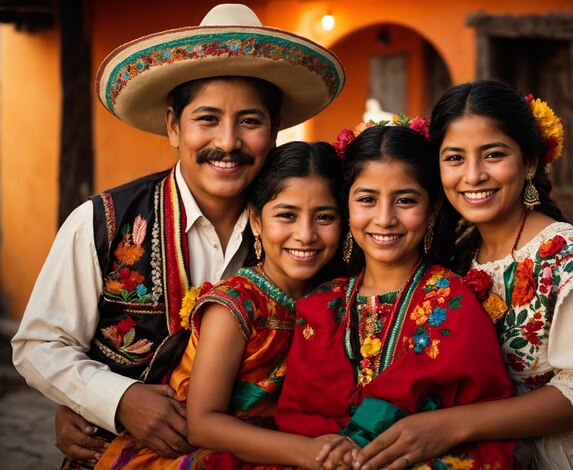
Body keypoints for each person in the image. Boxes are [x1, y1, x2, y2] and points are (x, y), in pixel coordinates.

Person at [11, 3, 345, 468]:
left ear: (274, 131)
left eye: (250, 121)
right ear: (174, 125)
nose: (227, 142)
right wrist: (117, 399)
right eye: (207, 119)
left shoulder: (300, 234)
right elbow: (40, 345)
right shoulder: (104, 221)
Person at [352, 80, 573, 470]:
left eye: (493, 155)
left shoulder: (562, 256)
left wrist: (451, 426)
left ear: (530, 162)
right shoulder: (462, 251)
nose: (473, 175)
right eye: (454, 158)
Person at [275, 122, 517, 469]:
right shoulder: (320, 305)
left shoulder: (455, 303)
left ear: (432, 209)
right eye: (367, 200)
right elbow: (294, 421)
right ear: (346, 206)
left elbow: (486, 432)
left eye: (405, 200)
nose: (385, 218)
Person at [94, 140, 344, 469]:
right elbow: (203, 424)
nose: (305, 234)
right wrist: (305, 452)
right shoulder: (236, 306)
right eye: (287, 215)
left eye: (324, 217)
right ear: (255, 220)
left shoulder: (337, 296)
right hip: (212, 454)